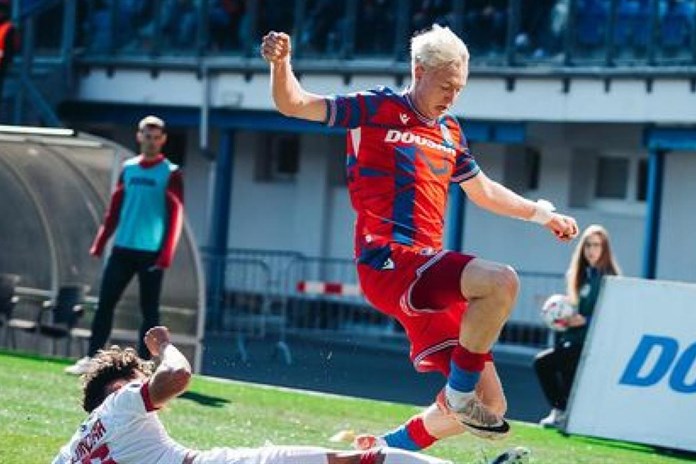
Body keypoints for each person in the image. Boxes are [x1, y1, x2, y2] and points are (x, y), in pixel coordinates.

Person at [261, 24, 578, 444]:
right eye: (446, 86)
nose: (452, 96)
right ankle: (458, 395)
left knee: (492, 404)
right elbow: (295, 103)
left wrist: (542, 215)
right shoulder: (375, 107)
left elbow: (483, 191)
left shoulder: (449, 131)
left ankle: (383, 449)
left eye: (459, 89)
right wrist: (281, 64)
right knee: (501, 281)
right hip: (388, 261)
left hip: (425, 273)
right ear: (418, 70)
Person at [52, 326, 457, 464]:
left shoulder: (71, 450)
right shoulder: (121, 401)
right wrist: (163, 347)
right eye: (138, 380)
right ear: (118, 386)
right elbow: (177, 376)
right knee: (357, 461)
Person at [65, 116, 184, 375]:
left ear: (163, 139)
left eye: (156, 137)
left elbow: (176, 216)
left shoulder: (171, 173)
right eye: (147, 136)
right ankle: (92, 359)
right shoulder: (128, 169)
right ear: (139, 136)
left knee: (149, 312)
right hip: (122, 249)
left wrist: (165, 255)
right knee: (105, 304)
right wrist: (100, 242)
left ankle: (143, 368)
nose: (151, 142)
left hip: (151, 253)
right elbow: (115, 209)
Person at [534, 224, 621, 428]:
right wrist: (561, 317)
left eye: (597, 245)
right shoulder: (581, 276)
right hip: (572, 338)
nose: (591, 250)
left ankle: (560, 411)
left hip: (590, 344)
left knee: (542, 363)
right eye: (588, 245)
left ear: (605, 249)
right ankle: (563, 415)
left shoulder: (611, 279)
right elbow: (575, 309)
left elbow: (613, 315)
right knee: (565, 377)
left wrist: (587, 320)